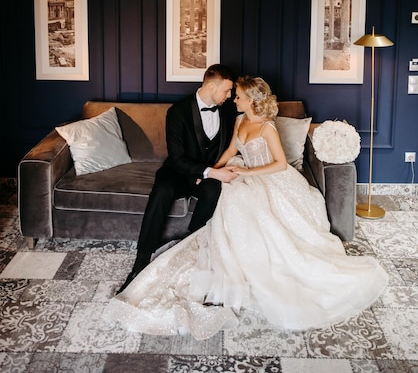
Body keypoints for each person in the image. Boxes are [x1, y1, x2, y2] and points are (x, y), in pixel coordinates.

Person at [106, 76, 388, 339]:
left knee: (249, 208)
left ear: (252, 100)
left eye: (238, 96)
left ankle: (251, 260)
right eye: (232, 94)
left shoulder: (267, 127)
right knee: (231, 198)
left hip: (270, 177)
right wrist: (212, 170)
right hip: (242, 171)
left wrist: (247, 174)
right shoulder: (240, 119)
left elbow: (279, 164)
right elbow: (231, 151)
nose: (233, 100)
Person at [116, 63, 238, 293]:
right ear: (212, 86)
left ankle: (189, 246)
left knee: (214, 190)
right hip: (179, 172)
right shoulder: (178, 112)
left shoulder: (229, 110)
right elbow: (177, 158)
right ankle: (141, 259)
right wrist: (208, 172)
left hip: (210, 173)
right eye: (227, 91)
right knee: (162, 190)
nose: (229, 96)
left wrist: (212, 172)